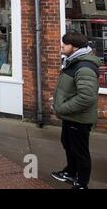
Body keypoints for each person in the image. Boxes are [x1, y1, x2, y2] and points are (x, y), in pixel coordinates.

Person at [51, 32, 100, 189]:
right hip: (71, 116)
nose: (61, 46)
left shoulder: (84, 67)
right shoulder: (73, 61)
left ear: (75, 47)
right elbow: (71, 88)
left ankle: (81, 183)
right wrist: (58, 100)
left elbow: (86, 97)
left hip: (79, 118)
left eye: (65, 44)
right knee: (68, 143)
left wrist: (61, 107)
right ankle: (71, 172)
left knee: (80, 151)